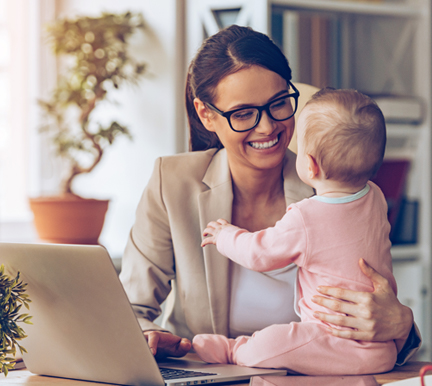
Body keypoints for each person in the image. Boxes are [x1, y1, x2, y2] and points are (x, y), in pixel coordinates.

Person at [119, 24, 419, 365]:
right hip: (206, 374)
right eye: (244, 113)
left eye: (278, 103)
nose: (267, 127)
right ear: (207, 115)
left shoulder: (336, 187)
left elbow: (378, 298)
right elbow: (129, 308)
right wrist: (149, 337)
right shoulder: (171, 183)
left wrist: (402, 323)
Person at [193, 88, 398, 375]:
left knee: (275, 340)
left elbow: (259, 253)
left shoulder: (306, 216)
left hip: (330, 338)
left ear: (310, 165)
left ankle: (234, 349)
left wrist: (224, 235)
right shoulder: (375, 197)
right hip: (381, 350)